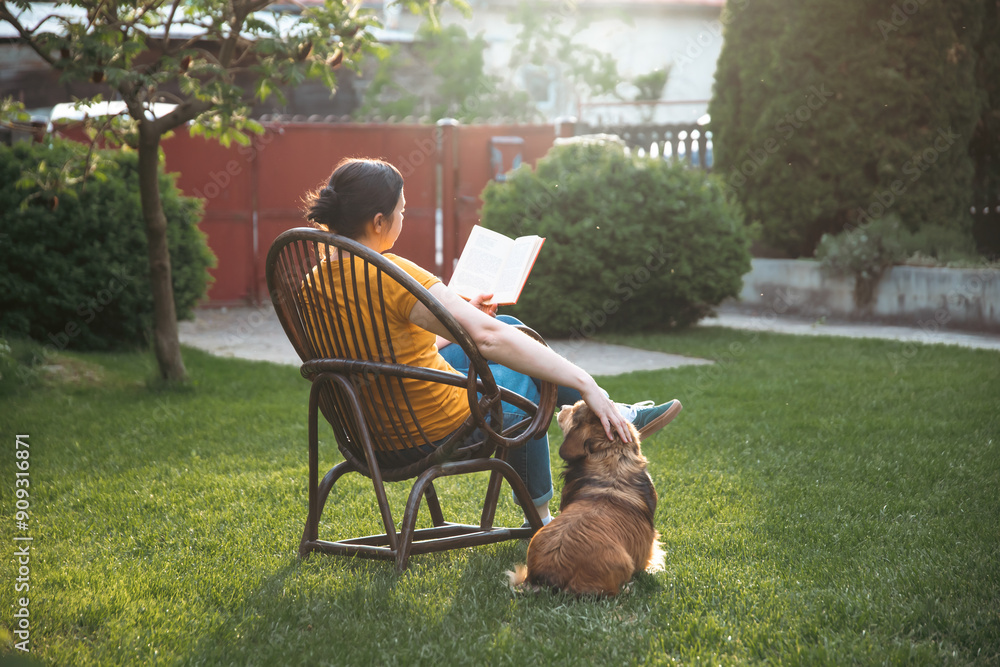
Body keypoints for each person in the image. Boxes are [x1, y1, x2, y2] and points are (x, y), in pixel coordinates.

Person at [304, 157, 681, 525]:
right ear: (379, 220)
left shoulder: (312, 283)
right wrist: (585, 381)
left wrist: (465, 314)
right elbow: (487, 339)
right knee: (523, 377)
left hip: (370, 432)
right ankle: (546, 513)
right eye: (402, 210)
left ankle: (612, 412)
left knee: (511, 327)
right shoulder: (391, 274)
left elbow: (382, 353)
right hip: (429, 428)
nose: (405, 216)